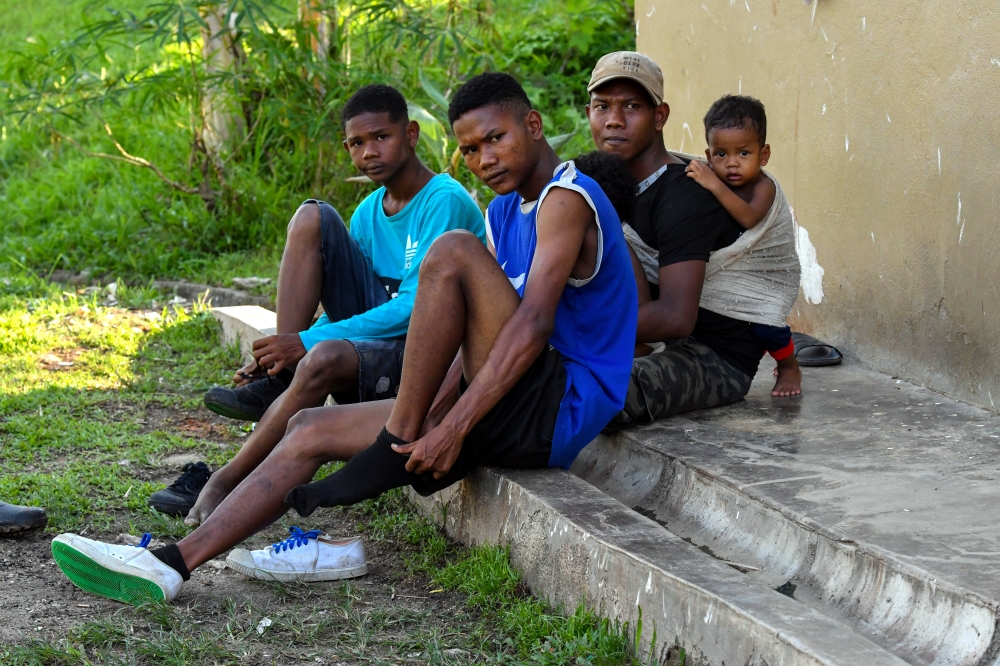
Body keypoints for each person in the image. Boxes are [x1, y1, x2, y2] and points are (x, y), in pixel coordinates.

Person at [50, 72, 638, 603]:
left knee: (452, 252)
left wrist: (450, 427)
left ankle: (396, 438)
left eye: (496, 139)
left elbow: (531, 326)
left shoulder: (567, 196)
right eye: (469, 149)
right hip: (505, 398)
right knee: (308, 428)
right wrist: (441, 413)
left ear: (532, 126)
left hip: (556, 407)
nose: (484, 158)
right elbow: (485, 336)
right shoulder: (505, 209)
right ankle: (174, 563)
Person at [148, 84, 485, 522]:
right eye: (356, 144)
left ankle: (223, 483)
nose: (369, 153)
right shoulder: (368, 210)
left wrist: (307, 339)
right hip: (376, 351)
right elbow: (351, 304)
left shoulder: (444, 201)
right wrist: (288, 344)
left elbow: (412, 309)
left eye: (381, 137)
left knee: (320, 355)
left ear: (411, 135)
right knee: (313, 216)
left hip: (425, 362)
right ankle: (278, 375)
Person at [586, 51, 798, 427]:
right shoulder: (603, 184)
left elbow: (673, 317)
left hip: (716, 359)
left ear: (660, 116)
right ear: (589, 113)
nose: (614, 120)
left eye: (632, 106)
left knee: (594, 392)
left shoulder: (685, 194)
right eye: (602, 106)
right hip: (653, 340)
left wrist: (569, 328)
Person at [684, 95, 802, 396]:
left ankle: (789, 365)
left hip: (766, 280)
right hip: (731, 278)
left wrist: (713, 183)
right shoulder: (718, 180)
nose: (732, 163)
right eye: (721, 154)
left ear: (763, 155)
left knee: (766, 326)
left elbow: (749, 218)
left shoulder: (764, 186)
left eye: (744, 153)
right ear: (709, 156)